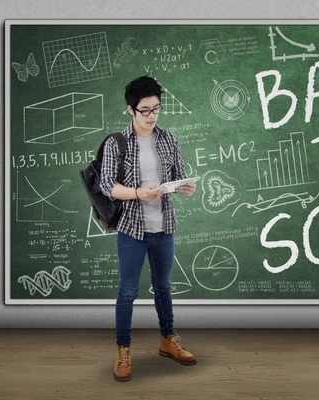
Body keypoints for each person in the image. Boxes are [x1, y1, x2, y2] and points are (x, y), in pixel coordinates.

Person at [100, 76, 197, 382]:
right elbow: (107, 185)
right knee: (127, 292)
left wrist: (185, 187)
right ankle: (123, 350)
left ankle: (168, 340)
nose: (152, 115)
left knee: (164, 287)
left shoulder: (170, 139)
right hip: (132, 229)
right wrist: (138, 192)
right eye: (145, 110)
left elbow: (179, 175)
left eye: (156, 108)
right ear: (130, 110)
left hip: (164, 226)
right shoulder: (117, 142)